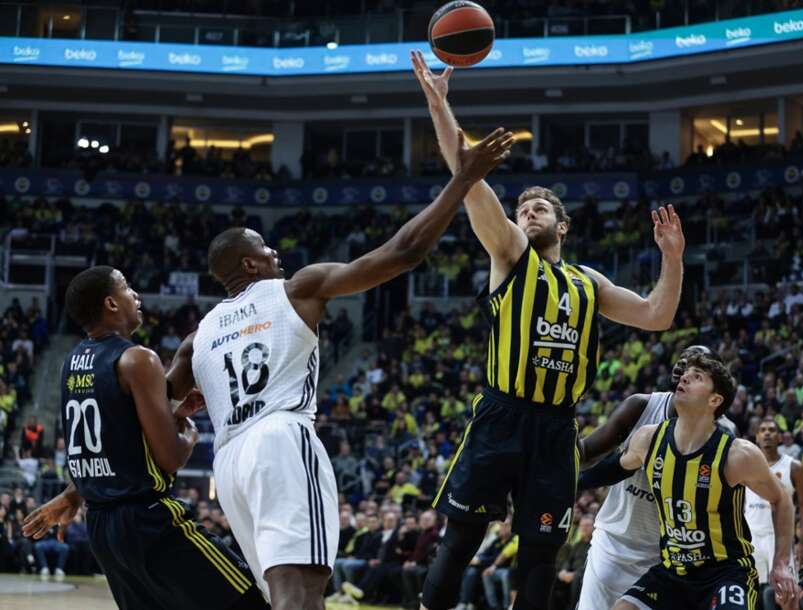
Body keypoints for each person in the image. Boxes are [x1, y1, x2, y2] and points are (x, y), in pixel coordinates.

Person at [165, 129, 515, 610]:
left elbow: (153, 407)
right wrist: (464, 178)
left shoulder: (197, 336)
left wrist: (80, 491)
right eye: (266, 249)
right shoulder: (295, 288)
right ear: (250, 263)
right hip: (278, 438)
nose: (275, 254)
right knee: (300, 590)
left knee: (286, 595)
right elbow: (403, 252)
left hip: (228, 463)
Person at [411, 50, 685, 610]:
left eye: (540, 208)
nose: (528, 212)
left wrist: (673, 258)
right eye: (523, 208)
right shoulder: (510, 254)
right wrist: (440, 107)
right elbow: (469, 178)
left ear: (562, 225)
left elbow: (657, 315)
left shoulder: (589, 282)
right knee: (459, 541)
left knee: (539, 558)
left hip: (557, 429)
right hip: (501, 415)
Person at [22, 266, 266, 610]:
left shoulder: (71, 363)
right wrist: (189, 430)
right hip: (149, 519)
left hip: (101, 527)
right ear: (111, 303)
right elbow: (171, 458)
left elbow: (113, 442)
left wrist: (75, 493)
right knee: (250, 602)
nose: (135, 295)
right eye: (126, 287)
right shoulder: (139, 359)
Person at [606, 354, 798, 609]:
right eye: (686, 373)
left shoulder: (737, 454)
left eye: (697, 377)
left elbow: (782, 499)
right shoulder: (650, 439)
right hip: (673, 572)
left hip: (725, 573)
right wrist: (571, 477)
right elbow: (613, 468)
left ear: (714, 400)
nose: (685, 377)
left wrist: (782, 562)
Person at [575, 345, 734, 609]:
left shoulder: (724, 434)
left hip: (669, 555)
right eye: (682, 359)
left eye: (696, 367)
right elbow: (590, 454)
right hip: (614, 541)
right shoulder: (642, 406)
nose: (682, 365)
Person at [745, 416, 803, 610]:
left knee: (787, 596)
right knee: (748, 592)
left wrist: (802, 541)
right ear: (757, 437)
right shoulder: (746, 465)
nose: (767, 433)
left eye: (772, 430)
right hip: (751, 536)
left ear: (780, 437)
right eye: (763, 430)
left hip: (780, 538)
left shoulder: (794, 466)